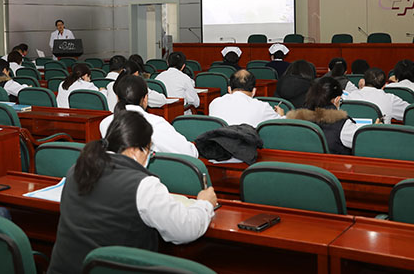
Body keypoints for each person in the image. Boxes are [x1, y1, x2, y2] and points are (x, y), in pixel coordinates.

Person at [48, 111, 216, 274]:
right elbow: (185, 229)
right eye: (149, 151)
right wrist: (205, 203)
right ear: (135, 151)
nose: (150, 156)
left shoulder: (77, 169)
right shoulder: (144, 186)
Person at [100, 75, 198, 157]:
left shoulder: (105, 123)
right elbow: (190, 153)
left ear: (117, 98)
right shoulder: (155, 124)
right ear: (146, 98)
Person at [287, 77, 365, 155]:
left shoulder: (295, 120)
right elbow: (364, 143)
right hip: (334, 162)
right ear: (337, 100)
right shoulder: (343, 125)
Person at [209, 70, 285, 127]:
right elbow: (280, 125)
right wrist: (281, 116)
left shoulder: (215, 103)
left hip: (218, 143)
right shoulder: (262, 107)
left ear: (229, 89)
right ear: (254, 91)